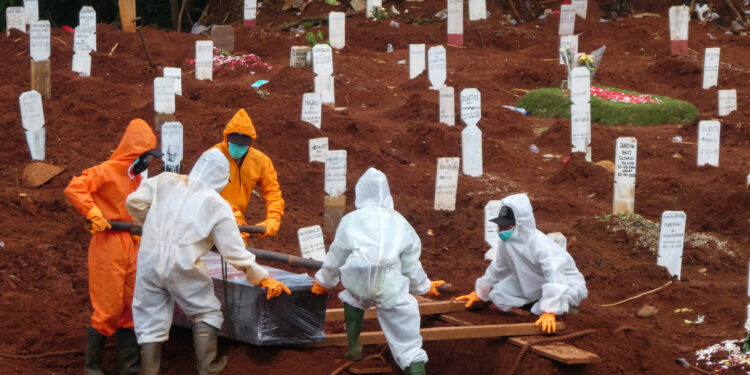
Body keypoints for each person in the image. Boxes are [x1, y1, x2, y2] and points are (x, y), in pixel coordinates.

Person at [125, 149, 291, 375]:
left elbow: (134, 202)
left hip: (149, 257)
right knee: (206, 311)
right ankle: (207, 367)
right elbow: (234, 252)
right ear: (222, 178)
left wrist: (153, 223)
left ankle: (149, 371)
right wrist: (261, 277)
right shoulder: (216, 204)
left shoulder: (165, 180)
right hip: (181, 264)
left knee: (149, 315)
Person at [310, 168, 445, 375]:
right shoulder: (400, 221)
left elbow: (337, 254)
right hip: (389, 281)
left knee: (352, 297)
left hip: (358, 276)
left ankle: (354, 347)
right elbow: (410, 263)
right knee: (407, 340)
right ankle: (415, 367)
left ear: (360, 193)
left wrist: (324, 281)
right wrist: (424, 287)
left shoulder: (352, 219)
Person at [64, 119, 161, 375]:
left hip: (132, 242)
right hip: (108, 242)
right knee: (108, 309)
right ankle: (92, 368)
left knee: (131, 305)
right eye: (145, 156)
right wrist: (94, 213)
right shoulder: (106, 171)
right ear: (134, 153)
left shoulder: (137, 178)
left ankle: (128, 367)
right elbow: (75, 187)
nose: (148, 161)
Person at [456, 193, 588, 333]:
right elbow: (498, 268)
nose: (501, 230)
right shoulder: (507, 242)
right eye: (500, 226)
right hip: (532, 280)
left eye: (506, 226)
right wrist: (481, 292)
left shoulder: (542, 246)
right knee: (500, 293)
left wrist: (550, 311)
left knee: (560, 297)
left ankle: (566, 310)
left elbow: (555, 278)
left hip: (564, 282)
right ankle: (535, 304)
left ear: (519, 224)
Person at [211, 108, 284, 241]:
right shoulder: (212, 156)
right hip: (210, 221)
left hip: (237, 226)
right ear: (226, 139)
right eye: (234, 144)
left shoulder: (260, 161)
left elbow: (273, 192)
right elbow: (201, 191)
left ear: (251, 143)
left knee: (237, 257)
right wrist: (230, 211)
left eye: (242, 145)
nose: (237, 148)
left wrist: (273, 219)